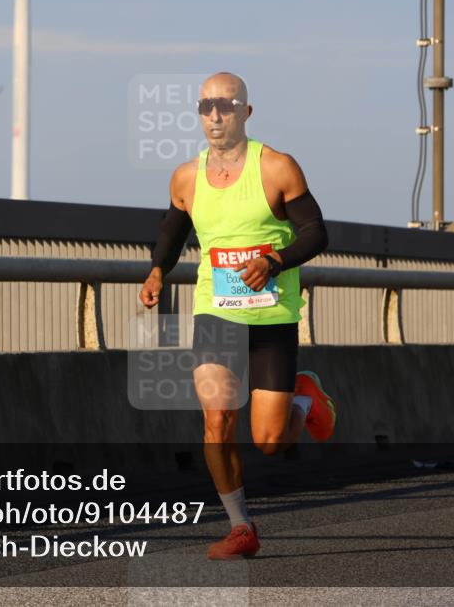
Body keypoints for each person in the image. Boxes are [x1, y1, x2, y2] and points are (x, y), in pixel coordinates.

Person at [139, 72, 337, 561]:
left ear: (246, 112)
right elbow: (173, 227)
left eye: (225, 105)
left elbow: (316, 233)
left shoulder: (277, 168)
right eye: (206, 105)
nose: (215, 115)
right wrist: (157, 271)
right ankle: (241, 526)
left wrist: (274, 261)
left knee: (270, 441)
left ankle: (303, 402)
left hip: (271, 317)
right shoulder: (187, 176)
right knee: (217, 420)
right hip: (216, 312)